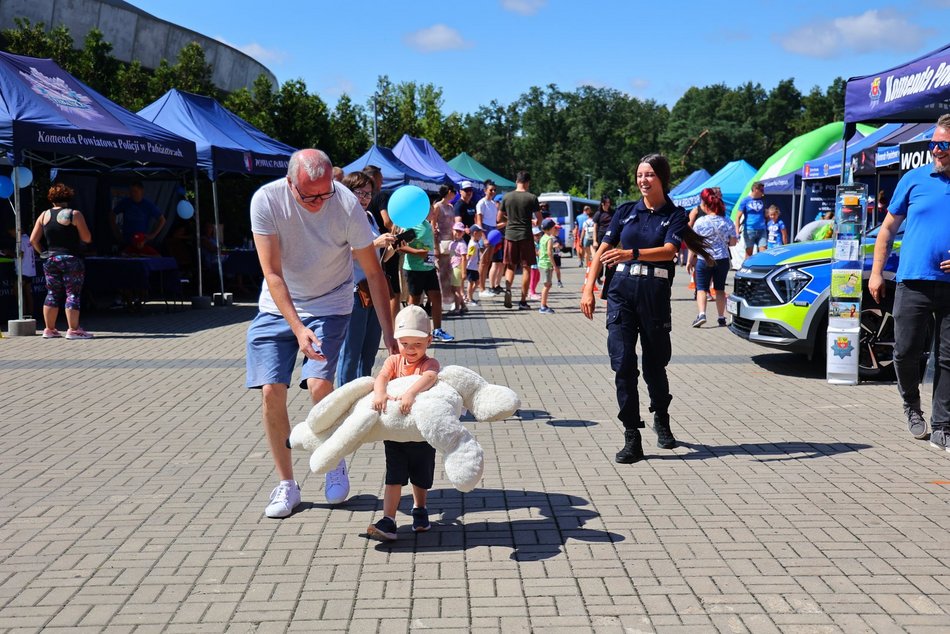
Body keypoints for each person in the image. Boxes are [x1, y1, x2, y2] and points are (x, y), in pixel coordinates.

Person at [246, 149, 397, 519]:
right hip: (278, 304)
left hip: (330, 302)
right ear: (290, 183)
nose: (318, 202)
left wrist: (390, 338)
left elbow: (374, 273)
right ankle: (287, 484)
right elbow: (272, 272)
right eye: (308, 195)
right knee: (271, 390)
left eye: (324, 192)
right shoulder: (266, 200)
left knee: (318, 385)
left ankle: (333, 460)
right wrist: (298, 328)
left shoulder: (345, 204)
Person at [580, 153, 712, 463]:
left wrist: (631, 253)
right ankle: (632, 436)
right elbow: (602, 250)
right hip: (620, 293)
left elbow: (668, 251)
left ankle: (661, 417)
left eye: (649, 174)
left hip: (653, 296)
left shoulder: (675, 215)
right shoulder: (625, 211)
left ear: (662, 178)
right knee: (623, 364)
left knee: (655, 366)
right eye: (640, 174)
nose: (643, 180)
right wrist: (588, 288)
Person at [869, 115, 950, 449]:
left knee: (947, 357)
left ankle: (943, 424)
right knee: (905, 352)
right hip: (913, 281)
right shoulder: (914, 180)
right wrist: (877, 272)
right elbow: (887, 228)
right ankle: (911, 406)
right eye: (933, 144)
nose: (936, 150)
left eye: (943, 145)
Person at [366, 305, 442, 541]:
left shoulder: (430, 363)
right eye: (404, 343)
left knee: (421, 476)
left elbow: (430, 377)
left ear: (429, 341)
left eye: (417, 344)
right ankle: (388, 519)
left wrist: (411, 392)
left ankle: (420, 508)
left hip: (420, 434)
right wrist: (380, 393)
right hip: (395, 434)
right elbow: (381, 377)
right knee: (394, 476)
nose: (410, 349)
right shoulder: (393, 361)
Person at [336, 171, 397, 386]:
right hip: (353, 292)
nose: (364, 198)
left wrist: (390, 247)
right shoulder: (341, 218)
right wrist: (376, 244)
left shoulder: (369, 217)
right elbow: (342, 254)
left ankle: (363, 393)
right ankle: (344, 397)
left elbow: (377, 258)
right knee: (350, 352)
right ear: (347, 192)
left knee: (369, 351)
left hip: (373, 292)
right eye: (359, 193)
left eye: (368, 194)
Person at [29, 183, 93, 339]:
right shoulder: (74, 214)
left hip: (51, 259)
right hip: (71, 259)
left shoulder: (44, 215)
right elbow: (87, 238)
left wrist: (43, 253)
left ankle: (49, 329)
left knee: (52, 293)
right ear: (68, 197)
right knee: (72, 294)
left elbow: (33, 240)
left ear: (51, 199)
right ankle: (73, 330)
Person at [400, 201, 454, 342]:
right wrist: (417, 252)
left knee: (436, 297)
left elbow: (428, 246)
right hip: (414, 269)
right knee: (414, 301)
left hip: (428, 268)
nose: (433, 213)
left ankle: (437, 330)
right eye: (431, 210)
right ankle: (410, 330)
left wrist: (432, 261)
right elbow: (399, 246)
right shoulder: (412, 225)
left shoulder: (427, 225)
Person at [688, 188, 737, 327]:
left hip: (704, 259)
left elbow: (694, 243)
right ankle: (721, 317)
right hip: (722, 259)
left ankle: (702, 314)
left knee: (702, 288)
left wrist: (690, 260)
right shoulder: (727, 221)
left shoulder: (700, 222)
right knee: (720, 289)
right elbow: (733, 242)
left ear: (706, 206)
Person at [498, 171, 543, 310]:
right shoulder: (532, 197)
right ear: (527, 182)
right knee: (526, 268)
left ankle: (508, 289)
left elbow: (499, 218)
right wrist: (534, 222)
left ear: (516, 181)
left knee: (510, 266)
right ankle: (523, 301)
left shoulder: (507, 197)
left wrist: (510, 219)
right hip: (525, 235)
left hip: (510, 235)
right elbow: (539, 219)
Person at [364, 166, 401, 323]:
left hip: (371, 248)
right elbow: (386, 221)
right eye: (380, 178)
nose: (382, 181)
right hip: (383, 245)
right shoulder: (381, 196)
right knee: (393, 291)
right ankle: (391, 328)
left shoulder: (365, 209)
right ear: (373, 178)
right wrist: (396, 231)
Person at [110, 181, 165, 248]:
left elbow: (162, 220)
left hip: (140, 241)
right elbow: (112, 215)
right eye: (131, 191)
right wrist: (116, 232)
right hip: (126, 240)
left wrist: (153, 235)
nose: (132, 194)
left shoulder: (148, 205)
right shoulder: (125, 202)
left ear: (142, 191)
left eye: (135, 191)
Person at [432, 184, 458, 306]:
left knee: (450, 272)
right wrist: (435, 247)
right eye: (453, 191)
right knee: (441, 273)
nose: (455, 194)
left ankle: (451, 299)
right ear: (448, 192)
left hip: (450, 243)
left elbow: (453, 225)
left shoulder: (451, 207)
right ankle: (441, 301)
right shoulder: (437, 206)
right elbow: (433, 227)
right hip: (440, 242)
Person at [475, 180, 498, 290]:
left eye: (494, 190)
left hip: (492, 231)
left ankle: (484, 286)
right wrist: (483, 238)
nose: (493, 192)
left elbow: (495, 221)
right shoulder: (481, 203)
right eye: (490, 190)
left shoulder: (493, 204)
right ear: (485, 191)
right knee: (483, 262)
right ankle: (481, 288)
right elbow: (479, 222)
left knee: (488, 261)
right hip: (484, 230)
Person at [736, 181, 767, 256]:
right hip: (749, 230)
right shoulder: (745, 200)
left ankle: (761, 264)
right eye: (761, 190)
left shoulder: (763, 200)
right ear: (755, 189)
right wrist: (737, 231)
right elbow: (738, 217)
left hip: (762, 229)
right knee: (749, 254)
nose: (763, 193)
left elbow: (765, 213)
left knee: (764, 253)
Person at [538, 218, 557, 314]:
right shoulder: (549, 239)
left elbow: (540, 251)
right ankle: (543, 306)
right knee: (547, 285)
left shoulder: (543, 238)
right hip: (546, 264)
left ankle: (543, 305)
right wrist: (554, 265)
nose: (555, 229)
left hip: (542, 263)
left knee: (547, 284)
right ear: (551, 228)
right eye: (554, 227)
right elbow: (549, 253)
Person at [447, 222, 468, 315]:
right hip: (452, 267)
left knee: (456, 290)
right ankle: (463, 306)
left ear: (463, 233)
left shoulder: (462, 244)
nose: (458, 233)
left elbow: (464, 258)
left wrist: (464, 272)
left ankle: (456, 308)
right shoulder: (452, 242)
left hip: (458, 267)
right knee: (453, 289)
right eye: (456, 230)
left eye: (460, 231)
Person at [464, 224, 486, 306]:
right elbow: (469, 256)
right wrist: (464, 266)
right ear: (475, 233)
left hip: (474, 267)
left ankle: (468, 296)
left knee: (477, 282)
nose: (481, 236)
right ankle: (469, 299)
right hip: (470, 267)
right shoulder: (473, 244)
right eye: (480, 234)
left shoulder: (475, 243)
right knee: (471, 283)